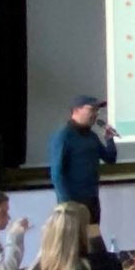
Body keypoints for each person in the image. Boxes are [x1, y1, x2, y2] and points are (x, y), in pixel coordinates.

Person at [48, 95, 118, 223]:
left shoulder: (92, 136)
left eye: (97, 110)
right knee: (74, 241)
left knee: (92, 238)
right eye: (92, 109)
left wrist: (109, 139)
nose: (96, 114)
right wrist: (66, 203)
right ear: (76, 110)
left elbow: (110, 159)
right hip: (72, 202)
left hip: (92, 199)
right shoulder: (64, 136)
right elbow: (56, 173)